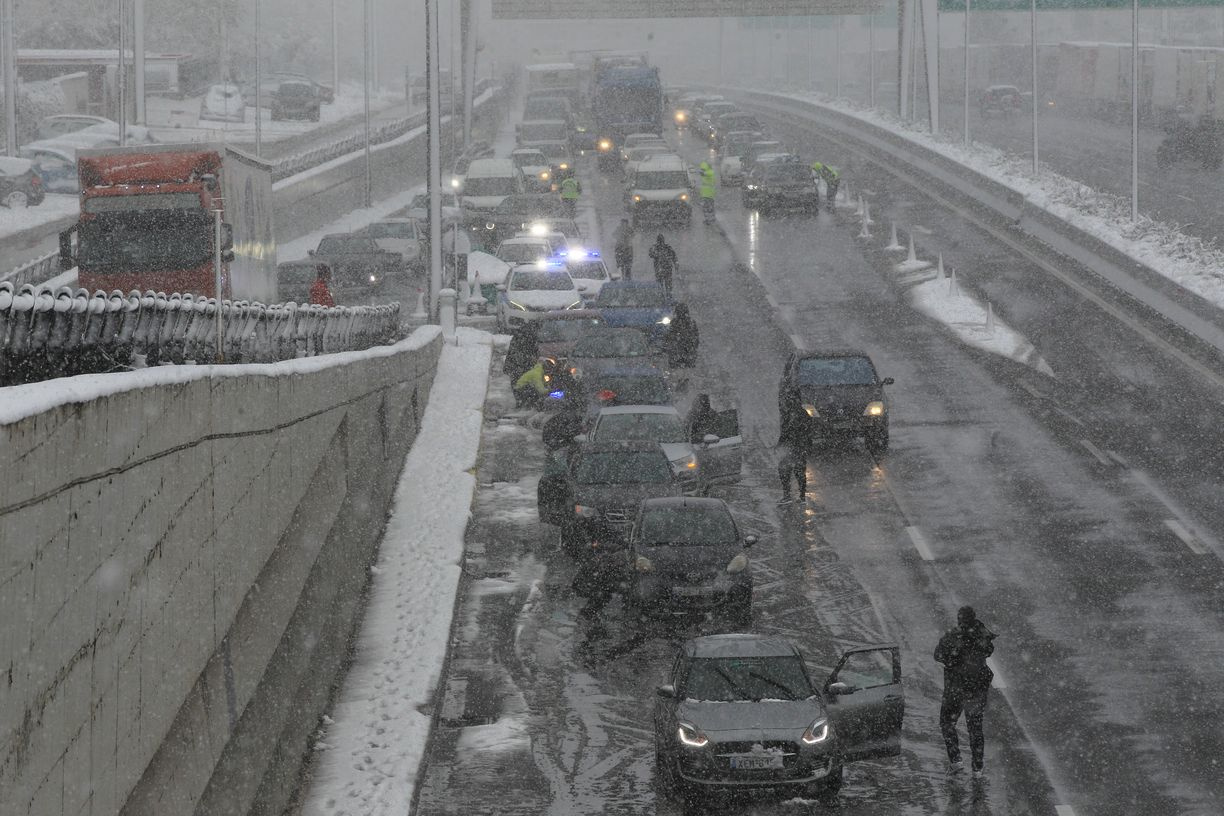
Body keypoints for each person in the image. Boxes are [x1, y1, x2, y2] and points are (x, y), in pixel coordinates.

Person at [935, 606, 997, 778]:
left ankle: (956, 761)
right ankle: (978, 768)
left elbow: (938, 655)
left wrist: (951, 658)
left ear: (959, 619)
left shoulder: (953, 636)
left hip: (955, 689)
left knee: (947, 722)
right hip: (976, 690)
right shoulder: (982, 635)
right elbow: (989, 649)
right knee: (975, 729)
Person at [776, 399, 812, 505]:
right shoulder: (801, 413)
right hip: (799, 447)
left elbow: (786, 431)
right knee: (798, 471)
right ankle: (801, 496)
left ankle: (789, 495)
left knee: (785, 470)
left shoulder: (791, 414)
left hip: (794, 447)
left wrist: (781, 443)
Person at [502, 321, 540, 386]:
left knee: (518, 384)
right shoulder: (529, 336)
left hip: (516, 367)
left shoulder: (522, 334)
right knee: (520, 384)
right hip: (519, 367)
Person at [663, 302, 698, 367]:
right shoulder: (691, 323)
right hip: (686, 352)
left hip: (679, 353)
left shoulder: (674, 323)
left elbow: (668, 336)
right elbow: (695, 338)